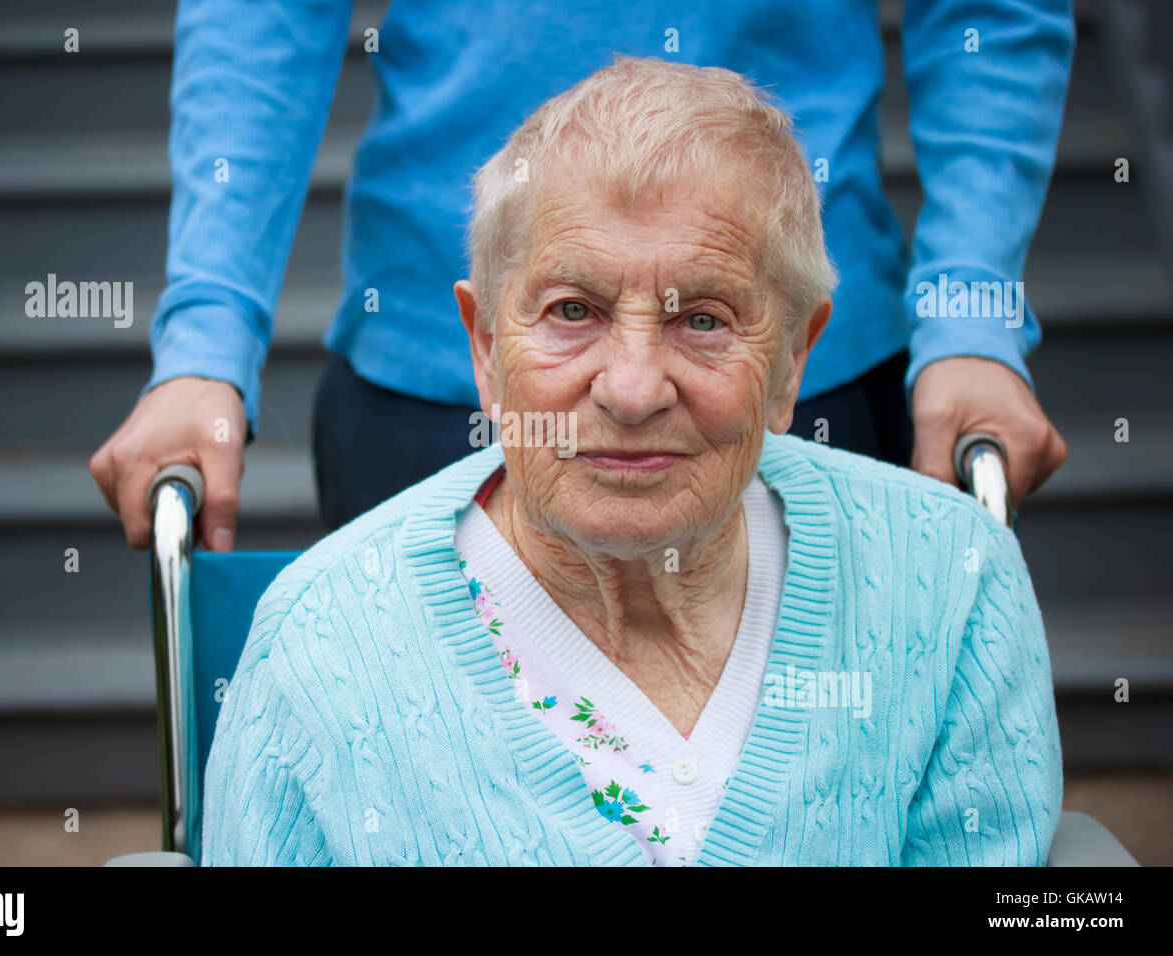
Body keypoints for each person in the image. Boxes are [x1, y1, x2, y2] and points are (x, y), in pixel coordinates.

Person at [201, 59, 1062, 866]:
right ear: (487, 347)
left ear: (794, 360)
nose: (633, 388)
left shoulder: (948, 580)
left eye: (704, 321)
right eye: (573, 310)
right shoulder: (323, 651)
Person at [89, 0, 1071, 544]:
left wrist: (971, 310)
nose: (629, 389)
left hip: (793, 352)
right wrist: (205, 341)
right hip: (431, 367)